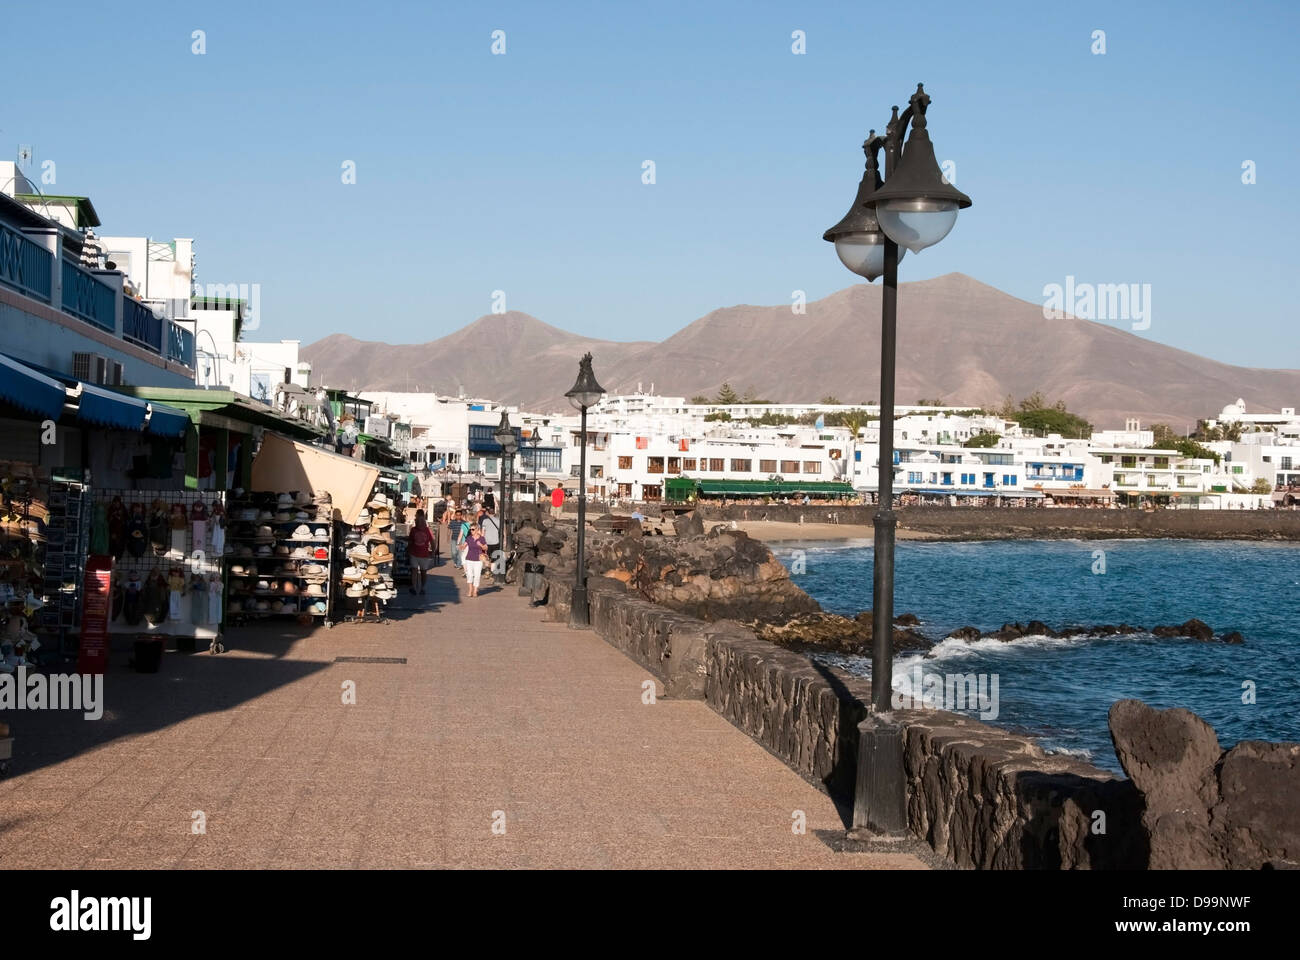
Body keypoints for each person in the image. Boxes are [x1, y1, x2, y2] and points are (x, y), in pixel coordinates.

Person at [407, 509, 434, 595]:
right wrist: (409, 551)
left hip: (424, 555)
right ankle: (414, 587)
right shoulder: (413, 530)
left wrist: (433, 551)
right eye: (418, 522)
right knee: (414, 570)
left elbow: (432, 541)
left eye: (421, 522)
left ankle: (422, 587)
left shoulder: (427, 530)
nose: (419, 523)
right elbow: (410, 541)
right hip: (414, 554)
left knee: (423, 572)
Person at [463, 523, 488, 598]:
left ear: (477, 530)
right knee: (469, 575)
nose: (471, 531)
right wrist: (461, 547)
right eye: (470, 529)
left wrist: (480, 545)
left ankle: (475, 590)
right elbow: (464, 545)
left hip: (478, 560)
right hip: (469, 559)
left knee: (477, 576)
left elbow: (486, 548)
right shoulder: (469, 538)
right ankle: (470, 590)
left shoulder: (482, 538)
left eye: (473, 529)